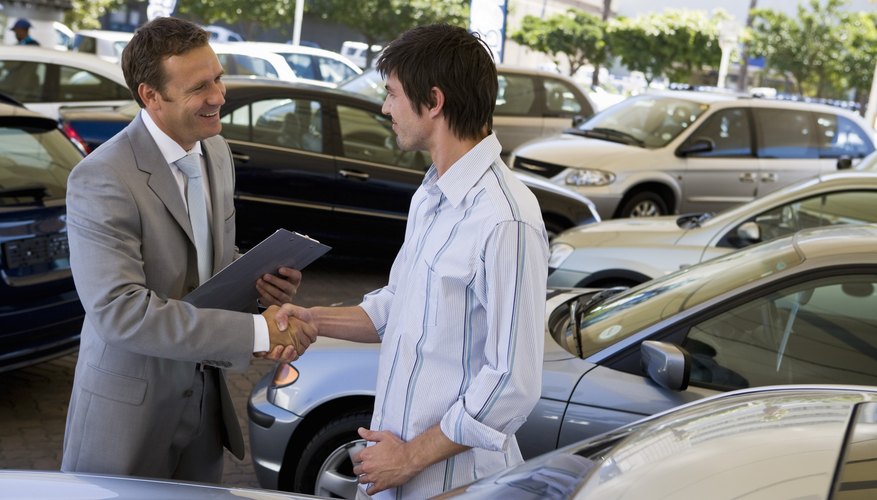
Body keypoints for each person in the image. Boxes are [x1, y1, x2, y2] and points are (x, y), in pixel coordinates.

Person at [275, 23, 550, 499]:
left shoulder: (508, 219)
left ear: (435, 101)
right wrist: (311, 319)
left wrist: (410, 457)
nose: (384, 108)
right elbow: (397, 306)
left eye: (393, 94)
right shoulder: (431, 195)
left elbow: (512, 382)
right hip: (394, 472)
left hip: (458, 484)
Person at [61, 17, 313, 482]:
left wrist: (261, 286)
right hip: (129, 417)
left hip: (205, 407)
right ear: (151, 96)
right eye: (200, 87)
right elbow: (121, 312)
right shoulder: (102, 177)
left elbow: (210, 271)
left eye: (218, 77)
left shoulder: (216, 151)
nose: (219, 96)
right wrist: (258, 333)